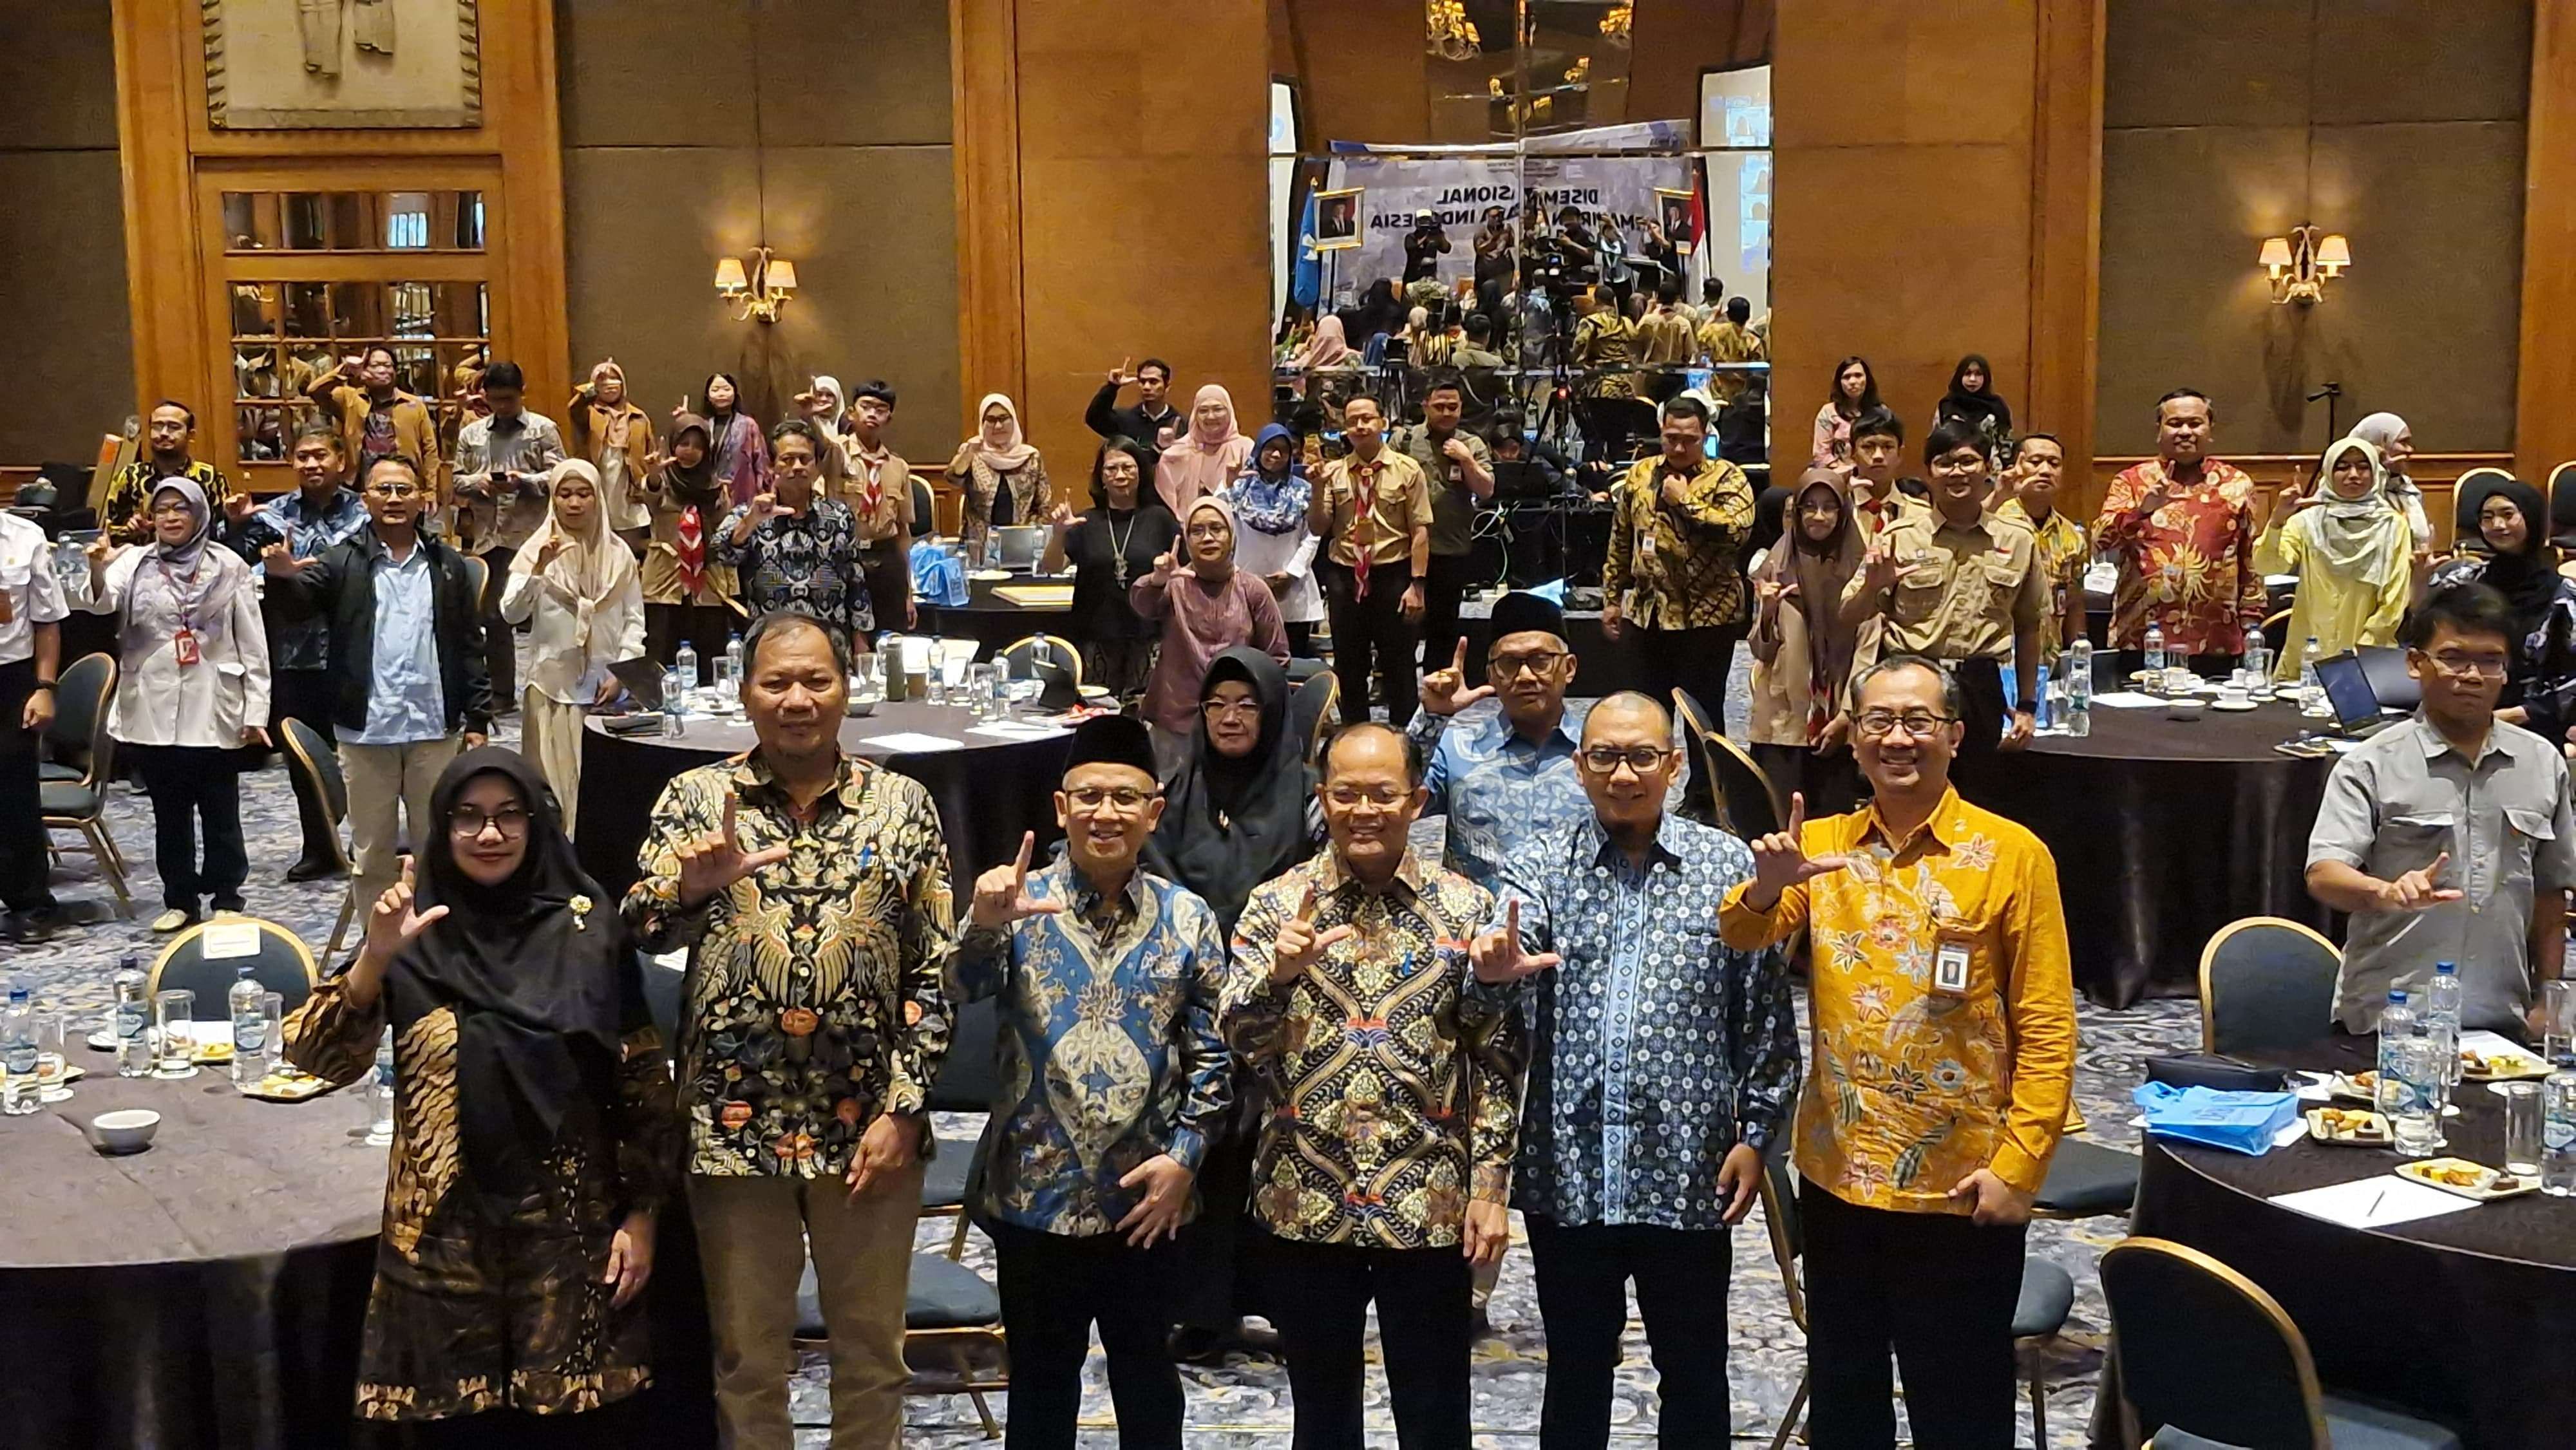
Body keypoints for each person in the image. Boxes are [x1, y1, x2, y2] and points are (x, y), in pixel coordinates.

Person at [1721, 655, 2077, 1450]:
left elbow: (2049, 1024)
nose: (1897, 738)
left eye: (1918, 720)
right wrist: (1765, 885)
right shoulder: (1821, 847)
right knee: (1846, 1403)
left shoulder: (2012, 854)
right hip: (1839, 1176)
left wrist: (2020, 1166)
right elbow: (1742, 933)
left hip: (1961, 1185)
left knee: (1960, 1408)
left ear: (1955, 735)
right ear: (1852, 738)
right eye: (1878, 720)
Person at [623, 608, 956, 1450]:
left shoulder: (904, 805)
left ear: (847, 690)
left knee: (873, 1358)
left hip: (870, 1127)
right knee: (747, 1361)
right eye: (776, 683)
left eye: (816, 680)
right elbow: (638, 930)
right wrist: (689, 892)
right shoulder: (696, 799)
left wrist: (906, 1108)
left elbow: (935, 969)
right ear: (746, 695)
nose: (797, 699)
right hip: (735, 1127)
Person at [281, 749, 678, 1444]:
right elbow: (315, 1056)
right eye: (467, 816)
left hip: (570, 1236)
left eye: (507, 815)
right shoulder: (414, 929)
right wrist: (375, 959)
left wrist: (644, 1215)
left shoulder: (588, 929)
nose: (488, 834)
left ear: (536, 822)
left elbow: (642, 1084)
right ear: (441, 826)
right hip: (442, 1242)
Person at [1470, 691, 1799, 1450]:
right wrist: (1492, 967)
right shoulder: (1539, 863)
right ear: (1580, 767)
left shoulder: (1727, 867)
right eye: (1606, 757)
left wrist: (1756, 1134)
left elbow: (1763, 1017)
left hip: (1687, 1169)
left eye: (1642, 756)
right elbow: (1501, 961)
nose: (1624, 774)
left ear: (1674, 766)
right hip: (1569, 1170)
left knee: (1694, 1368)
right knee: (1576, 1369)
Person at [1226, 723, 1524, 1450]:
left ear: (1417, 801)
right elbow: (1238, 1041)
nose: (1364, 810)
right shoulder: (1276, 906)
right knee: (1321, 1418)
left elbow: (1496, 1058)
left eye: (1383, 794)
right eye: (1347, 793)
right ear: (1322, 798)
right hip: (1304, 1198)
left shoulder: (1467, 910)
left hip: (1430, 1202)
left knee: (1436, 1416)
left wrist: (1490, 1187)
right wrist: (1278, 978)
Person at [950, 715, 1231, 1450]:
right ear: (1060, 807)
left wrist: (1184, 1161)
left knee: (1149, 1388)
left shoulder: (1188, 917)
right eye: (1089, 797)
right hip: (1033, 1195)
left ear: (1153, 811)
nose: (1106, 813)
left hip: (1146, 1198)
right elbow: (961, 988)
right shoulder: (1019, 904)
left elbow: (1214, 1055)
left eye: (1125, 798)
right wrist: (982, 924)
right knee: (1040, 1394)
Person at [2306, 584, 2575, 1036]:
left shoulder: (2541, 763)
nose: (2472, 675)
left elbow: (2551, 892)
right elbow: (2323, 873)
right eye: (2453, 658)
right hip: (2389, 1019)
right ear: (2416, 663)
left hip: (2502, 1021)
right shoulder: (2371, 763)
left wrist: (2549, 996)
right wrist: (2384, 892)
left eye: (2490, 661)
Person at [261, 454, 493, 912]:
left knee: (440, 850)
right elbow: (298, 608)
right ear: (365, 499)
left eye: (404, 489)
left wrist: (479, 717)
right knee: (372, 857)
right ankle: (378, 944)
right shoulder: (343, 560)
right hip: (367, 731)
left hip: (433, 728)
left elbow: (469, 644)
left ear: (422, 499)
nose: (393, 499)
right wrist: (282, 576)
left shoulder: (446, 564)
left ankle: (437, 939)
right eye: (383, 489)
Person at [82, 480, 271, 932]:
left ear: (200, 515)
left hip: (214, 703)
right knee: (169, 813)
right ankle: (180, 899)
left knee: (220, 810)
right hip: (151, 705)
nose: (170, 517)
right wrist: (95, 568)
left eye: (180, 509)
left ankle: (227, 895)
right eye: (162, 509)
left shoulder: (229, 566)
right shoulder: (134, 561)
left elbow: (254, 645)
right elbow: (101, 602)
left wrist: (256, 712)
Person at [1842, 417, 2045, 775]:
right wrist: (1873, 587)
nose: (1957, 472)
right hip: (1911, 682)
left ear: (1988, 468)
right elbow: (1847, 615)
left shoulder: (2017, 540)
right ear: (1929, 472)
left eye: (1968, 462)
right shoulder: (1900, 537)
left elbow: (2029, 626)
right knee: (1908, 785)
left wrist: (2027, 706)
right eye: (1945, 463)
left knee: (1979, 789)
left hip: (1980, 685)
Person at [234, 424, 373, 880]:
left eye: (321, 456)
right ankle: (319, 846)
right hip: (295, 650)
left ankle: (367, 842)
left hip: (356, 649)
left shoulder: (366, 513)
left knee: (361, 754)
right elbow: (240, 567)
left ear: (341, 462)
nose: (311, 464)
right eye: (303, 456)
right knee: (302, 756)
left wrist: (301, 572)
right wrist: (239, 528)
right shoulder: (272, 515)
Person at [1408, 590, 1604, 895]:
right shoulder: (1459, 750)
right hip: (1478, 919)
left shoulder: (1603, 755)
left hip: (1576, 917)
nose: (1525, 676)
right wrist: (1433, 717)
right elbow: (1398, 802)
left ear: (1569, 668)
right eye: (1509, 663)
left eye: (1540, 661)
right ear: (1491, 675)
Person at [502, 459, 643, 832]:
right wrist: (538, 571)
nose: (575, 503)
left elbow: (634, 622)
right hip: (552, 692)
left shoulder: (620, 555)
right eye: (565, 494)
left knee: (602, 798)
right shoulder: (537, 550)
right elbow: (511, 613)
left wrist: (622, 673)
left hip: (605, 694)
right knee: (553, 800)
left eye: (584, 494)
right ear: (554, 499)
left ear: (598, 498)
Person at [1600, 395, 1755, 725]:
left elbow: (1737, 532)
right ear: (1661, 431)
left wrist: (1686, 502)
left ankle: (1705, 764)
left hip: (1707, 616)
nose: (1680, 448)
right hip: (1648, 613)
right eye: (1671, 439)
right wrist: (1612, 598)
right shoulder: (1641, 473)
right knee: (1649, 714)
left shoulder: (1728, 477)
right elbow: (1621, 537)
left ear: (1706, 435)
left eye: (1690, 440)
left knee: (1702, 714)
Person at [2092, 388, 2262, 673]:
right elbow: (2100, 542)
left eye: (2195, 423)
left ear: (2210, 429)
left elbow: (2250, 559)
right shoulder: (2132, 482)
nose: (2185, 431)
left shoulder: (2236, 484)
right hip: (2143, 638)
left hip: (2216, 640)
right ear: (2159, 430)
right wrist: (2141, 511)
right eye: (2175, 423)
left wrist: (2252, 622)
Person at [1130, 495, 1290, 767]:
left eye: (1217, 529)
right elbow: (1143, 604)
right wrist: (1157, 580)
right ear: (1186, 539)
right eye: (1197, 531)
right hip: (1176, 718)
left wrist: (1245, 703)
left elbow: (1277, 658)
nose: (1207, 538)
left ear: (1232, 536)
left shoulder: (1253, 589)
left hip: (1235, 722)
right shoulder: (1175, 585)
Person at [1749, 469, 1870, 818]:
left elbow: (1868, 649)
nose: (1819, 516)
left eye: (1829, 507)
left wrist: (1847, 715)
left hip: (1839, 719)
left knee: (1833, 825)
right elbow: (1761, 652)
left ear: (1843, 512)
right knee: (1779, 821)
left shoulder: (1861, 569)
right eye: (1809, 507)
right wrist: (1768, 610)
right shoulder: (1777, 565)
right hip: (1784, 719)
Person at [1308, 393, 1432, 728]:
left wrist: (1417, 585)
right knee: (1349, 664)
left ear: (1382, 423)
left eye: (1367, 419)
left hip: (1393, 575)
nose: (1360, 426)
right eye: (1353, 422)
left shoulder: (1407, 469)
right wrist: (1317, 489)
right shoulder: (1334, 473)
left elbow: (1420, 530)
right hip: (1345, 576)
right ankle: (1353, 737)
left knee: (1399, 664)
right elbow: (1318, 527)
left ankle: (1404, 740)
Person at [453, 361, 566, 711]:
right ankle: (502, 693)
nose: (503, 406)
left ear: (521, 394)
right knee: (493, 616)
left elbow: (561, 476)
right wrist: (480, 482)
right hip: (489, 534)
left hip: (533, 535)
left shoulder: (543, 429)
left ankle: (552, 688)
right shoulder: (472, 434)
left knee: (546, 613)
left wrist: (524, 481)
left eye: (509, 399)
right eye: (496, 399)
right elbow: (456, 480)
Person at [2253, 437, 2412, 680]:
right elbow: (2267, 566)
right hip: (2308, 652)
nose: (2353, 475)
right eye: (2342, 467)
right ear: (2328, 472)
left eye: (2363, 467)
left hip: (2367, 658)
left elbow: (2394, 601)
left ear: (2375, 473)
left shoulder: (2393, 526)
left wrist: (2359, 653)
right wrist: (2277, 520)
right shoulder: (2306, 523)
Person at [2426, 478, 2576, 731]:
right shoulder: (2468, 580)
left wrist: (2512, 716)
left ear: (2531, 518)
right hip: (2462, 710)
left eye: (2508, 515)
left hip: (2532, 723)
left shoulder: (2563, 596)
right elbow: (2419, 635)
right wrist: (2419, 583)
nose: (2497, 525)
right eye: (2487, 517)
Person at [1043, 440, 1181, 700]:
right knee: (1097, 710)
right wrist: (1059, 533)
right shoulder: (1086, 521)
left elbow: (1182, 569)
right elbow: (1052, 566)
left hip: (1147, 635)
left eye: (1128, 468)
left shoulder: (1160, 518)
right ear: (1101, 477)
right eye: (1111, 469)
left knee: (1143, 711)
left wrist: (1168, 573)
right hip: (1095, 637)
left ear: (1141, 473)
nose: (1120, 475)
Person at [716, 419, 867, 643]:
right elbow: (721, 554)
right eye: (787, 460)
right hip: (770, 639)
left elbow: (856, 580)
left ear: (816, 466)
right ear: (771, 466)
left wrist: (861, 642)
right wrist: (750, 523)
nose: (797, 466)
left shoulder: (840, 516)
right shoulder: (750, 514)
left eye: (805, 459)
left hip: (829, 639)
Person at [0, 500, 67, 943]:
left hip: (10, 679)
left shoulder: (25, 539)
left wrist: (45, 687)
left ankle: (30, 904)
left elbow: (47, 623)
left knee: (14, 797)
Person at [638, 413, 742, 687]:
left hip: (707, 579)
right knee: (662, 643)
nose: (690, 451)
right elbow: (651, 497)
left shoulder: (716, 486)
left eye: (698, 446)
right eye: (684, 443)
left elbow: (725, 527)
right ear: (673, 445)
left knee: (709, 644)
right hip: (666, 578)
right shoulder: (662, 481)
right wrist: (653, 475)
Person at [1221, 424, 1323, 656]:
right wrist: (1227, 485)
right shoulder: (1239, 487)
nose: (1276, 455)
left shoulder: (1303, 490)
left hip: (1291, 590)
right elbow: (1219, 522)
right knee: (1248, 660)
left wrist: (1292, 573)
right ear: (1258, 450)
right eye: (1270, 448)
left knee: (1291, 660)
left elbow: (1312, 535)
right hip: (1246, 585)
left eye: (1283, 450)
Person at [305, 345, 445, 513]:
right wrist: (346, 371)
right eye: (375, 365)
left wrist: (431, 490)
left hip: (403, 484)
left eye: (387, 365)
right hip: (358, 485)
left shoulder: (414, 405)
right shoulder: (351, 399)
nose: (382, 370)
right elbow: (314, 391)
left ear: (395, 371)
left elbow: (430, 450)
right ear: (365, 370)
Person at [1991, 433, 2088, 666]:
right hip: (1998, 660)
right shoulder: (1993, 522)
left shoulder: (2073, 536)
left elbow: (2074, 602)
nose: (2045, 470)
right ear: (2015, 468)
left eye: (2054, 464)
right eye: (2035, 462)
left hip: (2049, 660)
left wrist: (2078, 660)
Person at [839, 381, 917, 632]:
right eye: (866, 407)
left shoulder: (898, 467)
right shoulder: (836, 456)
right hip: (848, 557)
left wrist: (908, 592)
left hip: (887, 558)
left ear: (889, 418)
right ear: (852, 412)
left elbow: (903, 532)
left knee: (891, 636)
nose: (873, 414)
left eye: (881, 410)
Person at [102, 401, 238, 544]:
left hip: (197, 555)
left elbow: (222, 531)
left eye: (174, 427)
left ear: (191, 435)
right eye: (157, 426)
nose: (164, 433)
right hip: (141, 555)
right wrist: (131, 529)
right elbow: (109, 530)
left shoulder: (209, 477)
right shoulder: (131, 476)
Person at [949, 393, 1053, 556]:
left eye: (1004, 419)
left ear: (1014, 420)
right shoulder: (973, 454)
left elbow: (1044, 505)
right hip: (979, 549)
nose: (998, 426)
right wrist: (968, 454)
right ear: (982, 424)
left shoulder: (1031, 457)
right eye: (991, 420)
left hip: (1022, 548)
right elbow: (953, 479)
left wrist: (1030, 534)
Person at [567, 358, 657, 541]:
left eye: (614, 379)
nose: (609, 385)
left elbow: (650, 451)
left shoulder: (638, 417)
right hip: (600, 480)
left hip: (629, 486)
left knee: (632, 540)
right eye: (603, 380)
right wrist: (591, 388)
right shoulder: (589, 413)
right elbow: (574, 409)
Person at [1155, 384, 1251, 518]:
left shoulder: (1245, 448)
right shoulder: (1180, 452)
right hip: (1186, 526)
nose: (1211, 417)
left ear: (1229, 411)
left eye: (1218, 409)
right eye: (1203, 411)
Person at [2347, 411, 2433, 551]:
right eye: (2403, 443)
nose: (2410, 450)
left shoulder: (2407, 490)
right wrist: (2379, 469)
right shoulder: (2351, 494)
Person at [690, 372, 769, 507]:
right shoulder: (703, 426)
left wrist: (762, 488)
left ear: (735, 393)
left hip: (742, 491)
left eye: (726, 389)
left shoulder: (748, 424)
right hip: (708, 494)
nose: (721, 394)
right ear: (708, 396)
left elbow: (761, 460)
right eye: (715, 390)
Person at [1845, 408, 1919, 539]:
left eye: (1888, 447)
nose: (1878, 456)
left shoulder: (1920, 515)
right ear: (1852, 453)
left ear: (1900, 453)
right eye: (1868, 447)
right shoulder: (1838, 511)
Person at [1088, 356, 1186, 452]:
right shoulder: (1125, 420)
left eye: (1153, 382)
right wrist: (1112, 387)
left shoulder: (1181, 424)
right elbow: (1094, 419)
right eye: (1143, 382)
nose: (1146, 387)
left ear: (1167, 386)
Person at [1931, 353, 2013, 458]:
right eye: (1967, 374)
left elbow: (2006, 440)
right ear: (1959, 376)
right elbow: (1936, 441)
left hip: (1992, 465)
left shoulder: (1997, 405)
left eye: (1979, 374)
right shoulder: (1947, 405)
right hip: (1955, 464)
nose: (1973, 379)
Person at [1812, 357, 1880, 472]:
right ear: (1840, 383)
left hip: (1872, 472)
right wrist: (1845, 470)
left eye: (1858, 376)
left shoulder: (1880, 413)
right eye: (1846, 377)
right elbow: (1821, 454)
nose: (1852, 382)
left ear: (1867, 380)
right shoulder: (1828, 412)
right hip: (1837, 472)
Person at [1697, 296, 1765, 406]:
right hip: (1742, 390)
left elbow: (1701, 336)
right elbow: (1758, 362)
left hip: (1719, 387)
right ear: (1748, 316)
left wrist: (1713, 317)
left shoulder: (1716, 331)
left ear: (1728, 315)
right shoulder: (1752, 339)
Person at [1634, 280, 1696, 402]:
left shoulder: (1647, 321)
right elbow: (1688, 353)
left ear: (1657, 297)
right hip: (1675, 375)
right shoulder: (1683, 323)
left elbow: (1635, 344)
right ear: (1676, 298)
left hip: (1651, 374)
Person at [1403, 208, 1453, 285]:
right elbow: (1412, 248)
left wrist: (1440, 235)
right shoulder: (1411, 237)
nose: (1425, 223)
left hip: (1429, 278)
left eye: (1427, 220)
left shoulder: (1433, 238)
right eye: (1422, 220)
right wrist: (1426, 237)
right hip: (1412, 277)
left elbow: (1446, 249)